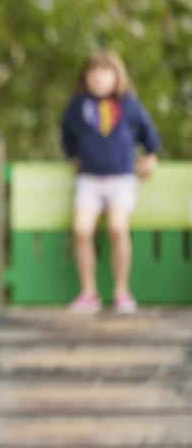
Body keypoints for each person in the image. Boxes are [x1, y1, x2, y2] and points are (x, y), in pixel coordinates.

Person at [61, 49, 160, 314]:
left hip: (121, 179)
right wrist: (72, 156)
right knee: (82, 230)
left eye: (105, 72)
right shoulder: (79, 104)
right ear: (85, 77)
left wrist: (151, 156)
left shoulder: (129, 103)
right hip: (89, 180)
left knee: (118, 228)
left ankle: (121, 292)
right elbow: (65, 131)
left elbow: (148, 133)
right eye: (93, 72)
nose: (98, 78)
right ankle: (89, 293)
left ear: (117, 76)